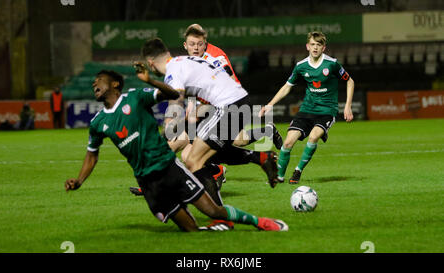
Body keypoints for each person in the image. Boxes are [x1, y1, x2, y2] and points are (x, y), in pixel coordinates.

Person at [64, 69, 288, 232]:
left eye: (99, 80)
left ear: (114, 84)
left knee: (213, 211)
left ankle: (260, 222)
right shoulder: (98, 122)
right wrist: (80, 180)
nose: (95, 83)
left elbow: (170, 95)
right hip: (147, 182)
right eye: (93, 81)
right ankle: (256, 151)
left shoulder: (134, 97)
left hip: (169, 169)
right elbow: (92, 154)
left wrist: (151, 80)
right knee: (190, 230)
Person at [139, 38, 282, 190]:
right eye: (192, 44)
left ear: (150, 63)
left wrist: (171, 125)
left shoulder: (176, 70)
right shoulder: (185, 61)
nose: (195, 47)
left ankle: (215, 209)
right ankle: (259, 157)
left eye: (198, 44)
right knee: (204, 153)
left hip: (228, 107)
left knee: (194, 159)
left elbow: (176, 101)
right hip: (234, 104)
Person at [259, 31, 354, 184]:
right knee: (288, 143)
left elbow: (350, 81)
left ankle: (298, 170)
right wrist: (270, 104)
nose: (315, 47)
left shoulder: (332, 64)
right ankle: (279, 177)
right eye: (312, 44)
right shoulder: (301, 66)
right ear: (307, 46)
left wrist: (347, 106)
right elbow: (287, 86)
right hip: (307, 109)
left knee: (313, 136)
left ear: (323, 48)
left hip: (327, 110)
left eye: (318, 45)